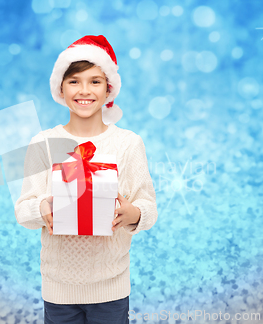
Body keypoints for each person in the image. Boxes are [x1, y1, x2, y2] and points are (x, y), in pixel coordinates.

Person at [14, 35, 158, 324]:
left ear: (109, 89)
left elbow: (149, 207)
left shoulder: (128, 144)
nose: (84, 90)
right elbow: (23, 210)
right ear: (61, 88)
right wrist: (43, 208)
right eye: (74, 81)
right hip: (59, 290)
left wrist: (132, 213)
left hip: (111, 289)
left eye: (95, 81)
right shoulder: (44, 143)